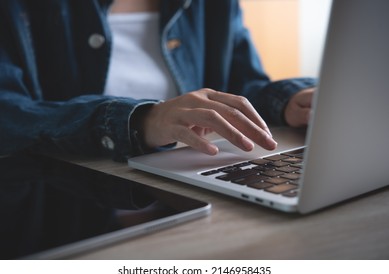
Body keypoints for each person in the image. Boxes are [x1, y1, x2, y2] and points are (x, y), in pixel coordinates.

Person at [0, 0, 316, 162]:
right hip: (66, 208)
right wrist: (141, 120)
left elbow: (241, 88)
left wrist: (287, 101)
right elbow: (8, 114)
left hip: (192, 193)